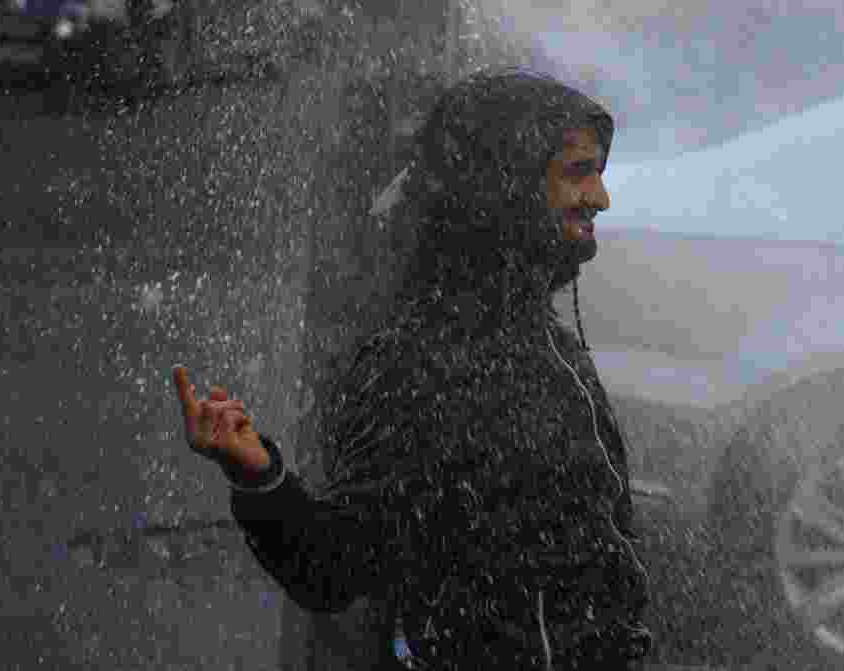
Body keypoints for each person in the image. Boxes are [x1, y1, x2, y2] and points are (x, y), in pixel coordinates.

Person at [172, 67, 653, 670]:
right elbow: (334, 567)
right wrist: (261, 477)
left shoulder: (544, 338)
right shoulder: (419, 362)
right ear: (506, 185)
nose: (601, 198)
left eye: (600, 174)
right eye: (578, 172)